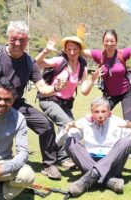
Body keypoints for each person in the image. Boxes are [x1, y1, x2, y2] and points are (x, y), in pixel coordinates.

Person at [0, 20, 62, 180]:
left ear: (27, 41)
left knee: (46, 125)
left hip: (16, 104)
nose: (18, 43)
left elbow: (42, 88)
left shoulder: (30, 62)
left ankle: (49, 164)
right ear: (8, 37)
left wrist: (55, 88)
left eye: (23, 40)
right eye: (14, 39)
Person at [56, 97, 131, 197]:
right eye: (96, 112)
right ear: (91, 112)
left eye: (103, 111)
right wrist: (66, 129)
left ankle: (92, 176)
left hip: (112, 164)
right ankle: (108, 181)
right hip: (88, 162)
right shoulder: (84, 122)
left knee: (125, 142)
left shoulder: (119, 123)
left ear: (109, 112)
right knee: (70, 141)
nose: (100, 115)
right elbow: (60, 142)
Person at [35, 35, 99, 168]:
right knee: (66, 123)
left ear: (80, 50)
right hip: (49, 99)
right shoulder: (60, 61)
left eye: (75, 49)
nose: (72, 52)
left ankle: (66, 156)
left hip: (64, 103)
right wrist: (46, 50)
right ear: (64, 50)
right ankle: (63, 159)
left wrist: (93, 80)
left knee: (72, 128)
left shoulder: (82, 66)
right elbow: (37, 64)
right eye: (69, 49)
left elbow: (84, 91)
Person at [82, 24, 131, 122]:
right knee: (98, 118)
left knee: (128, 124)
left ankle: (130, 135)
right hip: (110, 95)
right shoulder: (99, 55)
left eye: (112, 41)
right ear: (103, 42)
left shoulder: (123, 53)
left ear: (116, 42)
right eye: (106, 41)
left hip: (127, 93)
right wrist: (79, 37)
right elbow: (79, 51)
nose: (109, 43)